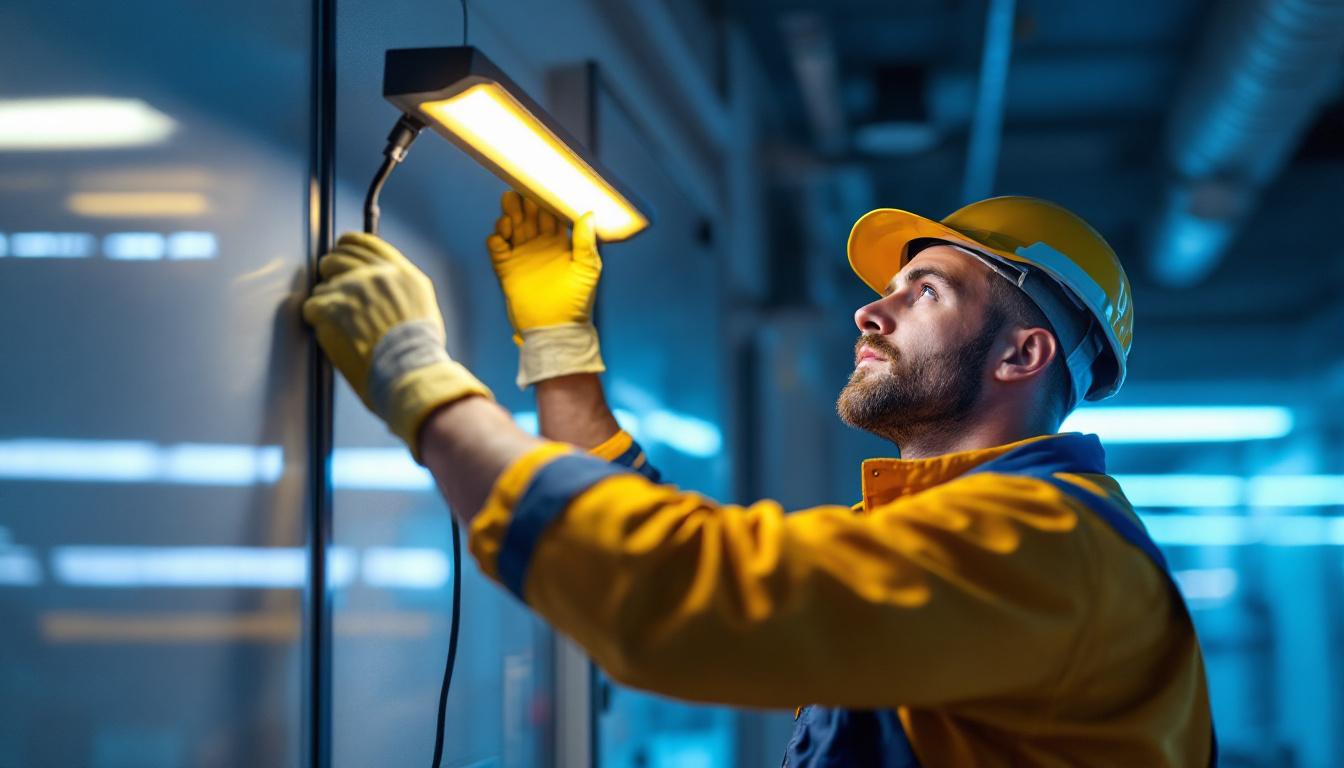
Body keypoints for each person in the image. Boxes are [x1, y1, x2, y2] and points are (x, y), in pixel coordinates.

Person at [303, 191, 1215, 766]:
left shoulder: (1045, 546)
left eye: (925, 291)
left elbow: (692, 593)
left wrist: (419, 383)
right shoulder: (962, 531)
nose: (871, 308)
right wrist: (558, 346)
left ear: (1023, 352)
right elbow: (665, 534)